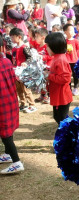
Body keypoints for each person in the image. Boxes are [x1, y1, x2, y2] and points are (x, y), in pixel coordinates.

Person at [0, 34, 24, 174]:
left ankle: (16, 162)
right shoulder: (7, 62)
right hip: (10, 101)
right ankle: (8, 154)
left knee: (5, 134)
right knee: (8, 129)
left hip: (2, 104)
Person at [44, 32, 73, 124]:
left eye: (48, 46)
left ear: (54, 46)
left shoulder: (60, 60)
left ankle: (69, 134)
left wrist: (48, 75)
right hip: (58, 94)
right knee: (57, 116)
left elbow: (65, 78)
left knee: (61, 118)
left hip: (62, 96)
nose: (46, 48)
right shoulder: (56, 58)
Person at [10, 28, 37, 113]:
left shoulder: (25, 47)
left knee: (26, 89)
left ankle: (32, 105)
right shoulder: (14, 49)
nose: (11, 39)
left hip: (24, 72)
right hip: (16, 72)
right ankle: (23, 104)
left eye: (13, 37)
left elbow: (30, 57)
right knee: (19, 89)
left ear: (19, 37)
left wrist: (25, 62)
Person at [34, 28, 53, 104]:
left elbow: (51, 56)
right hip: (41, 67)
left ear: (43, 37)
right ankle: (43, 94)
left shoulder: (47, 46)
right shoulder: (38, 46)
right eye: (35, 36)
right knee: (41, 81)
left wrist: (43, 57)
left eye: (37, 36)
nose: (35, 38)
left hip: (47, 67)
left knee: (48, 81)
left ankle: (49, 96)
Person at [63, 24, 79, 96]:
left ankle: (76, 87)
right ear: (65, 32)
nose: (72, 31)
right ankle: (69, 88)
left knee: (75, 74)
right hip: (67, 61)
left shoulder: (76, 41)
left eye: (73, 30)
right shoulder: (64, 41)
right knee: (68, 75)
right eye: (70, 30)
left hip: (75, 60)